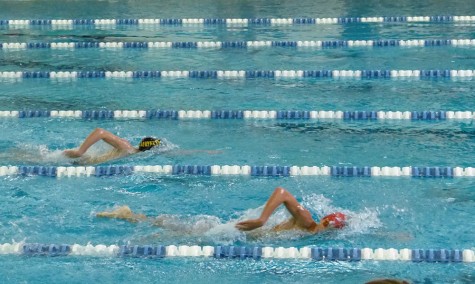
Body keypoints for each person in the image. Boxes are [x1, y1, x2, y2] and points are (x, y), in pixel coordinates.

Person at [96, 187, 347, 234]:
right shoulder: (307, 221)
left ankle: (133, 216)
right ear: (325, 221)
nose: (326, 230)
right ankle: (128, 215)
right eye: (329, 226)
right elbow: (282, 192)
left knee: (180, 231)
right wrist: (262, 220)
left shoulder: (309, 231)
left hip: (241, 235)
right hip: (238, 231)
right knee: (179, 232)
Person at [63, 128, 161, 164]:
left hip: (81, 162)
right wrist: (80, 152)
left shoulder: (131, 153)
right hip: (80, 160)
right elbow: (100, 132)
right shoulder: (127, 148)